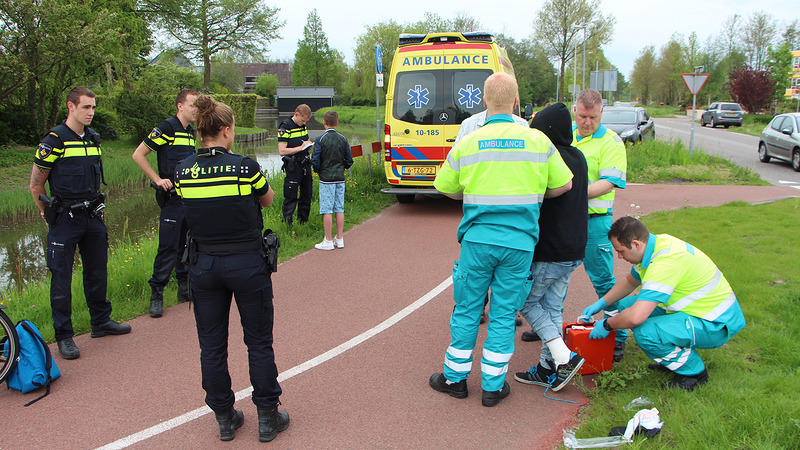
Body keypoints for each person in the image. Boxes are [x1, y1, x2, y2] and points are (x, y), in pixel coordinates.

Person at [428, 73, 573, 407]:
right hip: (520, 244)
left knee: (467, 309)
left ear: (483, 100)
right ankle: (493, 387)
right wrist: (534, 195)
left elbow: (446, 187)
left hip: (477, 242)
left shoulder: (468, 142)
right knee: (505, 315)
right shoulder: (537, 141)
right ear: (516, 100)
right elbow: (564, 185)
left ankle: (455, 380)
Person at [174, 96, 289, 442]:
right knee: (258, 341)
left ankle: (225, 417)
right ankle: (268, 416)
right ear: (226, 130)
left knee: (211, 346)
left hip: (204, 265)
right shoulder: (245, 167)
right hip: (246, 263)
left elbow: (189, 206)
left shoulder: (183, 170)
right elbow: (268, 199)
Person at [581, 216, 746, 391]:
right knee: (625, 307)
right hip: (698, 310)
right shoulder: (654, 247)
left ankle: (694, 373)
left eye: (620, 251)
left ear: (636, 244)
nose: (620, 256)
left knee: (646, 333)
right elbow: (630, 282)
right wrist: (601, 303)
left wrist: (607, 325)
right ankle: (670, 357)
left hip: (715, 324)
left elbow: (636, 317)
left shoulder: (665, 263)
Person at [29, 86, 131, 360]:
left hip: (93, 216)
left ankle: (100, 321)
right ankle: (64, 336)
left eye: (94, 107)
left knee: (97, 271)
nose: (91, 112)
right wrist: (46, 214)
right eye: (86, 107)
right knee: (61, 278)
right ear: (70, 107)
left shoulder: (92, 139)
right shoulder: (54, 140)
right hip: (65, 218)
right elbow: (36, 183)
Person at [513, 103, 589, 392]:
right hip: (573, 250)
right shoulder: (578, 157)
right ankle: (548, 368)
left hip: (550, 250)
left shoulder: (549, 158)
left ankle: (563, 357)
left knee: (526, 302)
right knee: (552, 306)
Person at [454, 102, 529, 327]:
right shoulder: (470, 125)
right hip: (480, 209)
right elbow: (456, 161)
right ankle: (479, 306)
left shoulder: (522, 125)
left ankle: (509, 308)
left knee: (502, 265)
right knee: (479, 264)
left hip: (511, 208)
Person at [572, 89, 628, 361]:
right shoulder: (566, 135)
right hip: (566, 220)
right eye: (583, 116)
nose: (587, 123)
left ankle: (618, 335)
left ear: (601, 113)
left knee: (604, 281)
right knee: (552, 276)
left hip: (595, 221)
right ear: (575, 111)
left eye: (593, 117)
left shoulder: (612, 142)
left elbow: (608, 183)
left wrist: (570, 192)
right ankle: (545, 325)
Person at [131, 89, 198, 318]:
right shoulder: (166, 128)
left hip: (188, 199)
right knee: (168, 247)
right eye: (192, 105)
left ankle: (183, 288)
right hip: (171, 201)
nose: (196, 109)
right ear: (180, 106)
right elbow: (138, 154)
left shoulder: (191, 132)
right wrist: (157, 180)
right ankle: (157, 294)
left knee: (187, 244)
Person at [311, 110, 353, 251]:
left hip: (326, 179)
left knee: (327, 209)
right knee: (339, 208)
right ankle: (339, 238)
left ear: (324, 122)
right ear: (337, 123)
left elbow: (315, 160)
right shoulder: (343, 139)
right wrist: (342, 168)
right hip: (340, 178)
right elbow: (349, 160)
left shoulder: (321, 140)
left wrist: (319, 171)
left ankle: (328, 240)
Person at [278, 104, 313, 224]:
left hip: (305, 164)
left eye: (306, 121)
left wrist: (307, 146)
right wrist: (300, 147)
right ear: (296, 114)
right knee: (291, 195)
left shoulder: (303, 126)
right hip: (293, 166)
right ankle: (287, 223)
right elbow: (282, 151)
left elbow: (303, 142)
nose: (304, 123)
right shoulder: (285, 126)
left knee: (307, 194)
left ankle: (303, 221)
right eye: (303, 120)